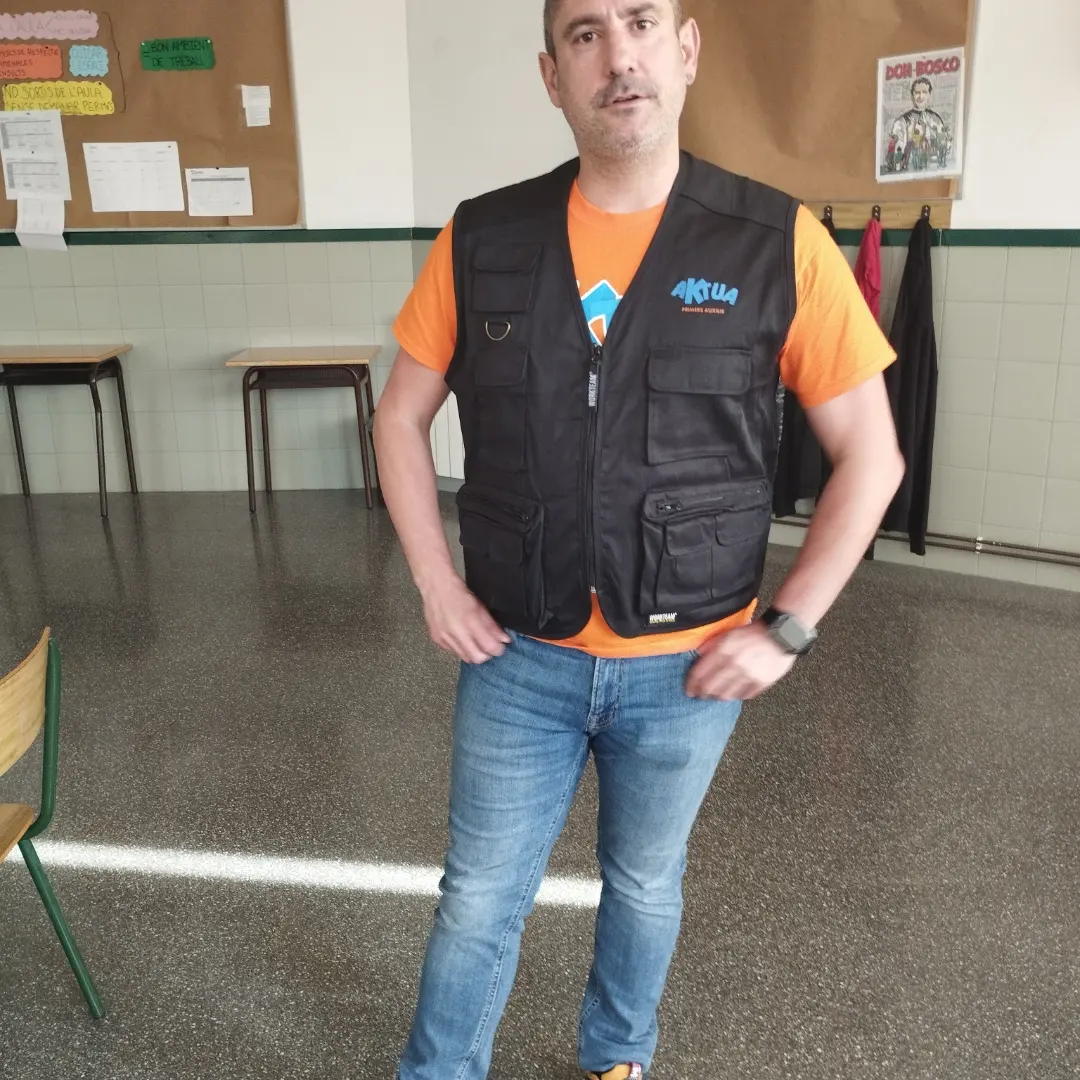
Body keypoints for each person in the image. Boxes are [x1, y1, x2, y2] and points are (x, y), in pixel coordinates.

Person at [373, 2, 905, 1077]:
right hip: (517, 657)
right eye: (585, 34)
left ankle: (617, 1058)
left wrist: (786, 630)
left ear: (686, 48)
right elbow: (399, 417)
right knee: (478, 896)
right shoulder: (482, 238)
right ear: (552, 75)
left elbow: (872, 457)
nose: (618, 55)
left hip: (686, 666)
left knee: (647, 884)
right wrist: (433, 581)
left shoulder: (775, 242)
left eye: (641, 22)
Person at [882, 76, 952, 175]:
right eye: (917, 92)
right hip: (910, 169)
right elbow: (899, 148)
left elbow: (945, 143)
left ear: (929, 95)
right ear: (912, 95)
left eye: (924, 92)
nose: (921, 96)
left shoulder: (935, 118)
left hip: (934, 168)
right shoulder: (902, 121)